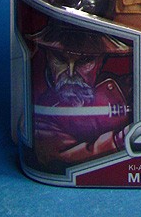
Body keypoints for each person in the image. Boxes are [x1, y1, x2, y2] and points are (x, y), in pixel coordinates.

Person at [31, 21, 132, 170]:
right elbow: (62, 156)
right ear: (48, 57)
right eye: (61, 60)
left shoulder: (120, 86)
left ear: (100, 61)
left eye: (84, 61)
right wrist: (123, 139)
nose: (71, 73)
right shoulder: (43, 112)